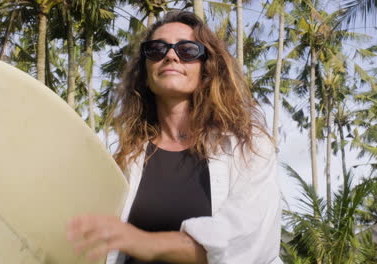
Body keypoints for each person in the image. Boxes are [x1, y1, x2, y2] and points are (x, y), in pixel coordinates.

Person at [66, 10, 282, 264]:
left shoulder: (248, 147)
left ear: (206, 69)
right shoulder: (127, 158)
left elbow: (246, 241)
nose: (170, 55)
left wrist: (141, 241)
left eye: (187, 50)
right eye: (157, 49)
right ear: (146, 74)